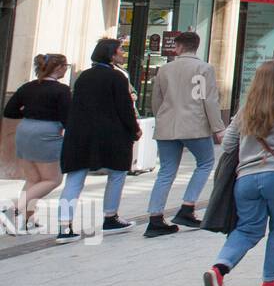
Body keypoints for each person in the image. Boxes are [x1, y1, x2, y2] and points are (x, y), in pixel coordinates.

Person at [202, 60, 274, 286]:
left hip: (246, 178)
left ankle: (219, 268)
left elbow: (229, 145)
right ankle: (270, 279)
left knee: (248, 229)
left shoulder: (245, 111)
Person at [55, 39, 139, 243]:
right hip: (111, 135)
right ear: (111, 54)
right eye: (120, 50)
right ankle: (110, 217)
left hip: (80, 134)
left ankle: (64, 227)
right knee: (117, 173)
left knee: (74, 179)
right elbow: (125, 107)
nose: (123, 54)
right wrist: (134, 129)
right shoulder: (116, 77)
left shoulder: (83, 76)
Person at [145, 31, 224, 238]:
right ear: (196, 46)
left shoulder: (164, 69)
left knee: (166, 170)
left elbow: (157, 99)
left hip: (167, 125)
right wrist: (218, 128)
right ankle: (187, 207)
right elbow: (210, 99)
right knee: (205, 162)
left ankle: (155, 217)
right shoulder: (204, 68)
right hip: (194, 124)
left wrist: (160, 118)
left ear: (178, 47)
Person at [2, 53, 71, 233]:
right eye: (66, 66)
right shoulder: (61, 90)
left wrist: (28, 113)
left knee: (33, 179)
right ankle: (13, 209)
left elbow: (9, 110)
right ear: (58, 68)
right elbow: (67, 117)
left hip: (24, 130)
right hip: (47, 133)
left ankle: (26, 219)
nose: (66, 69)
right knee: (52, 179)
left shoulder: (28, 87)